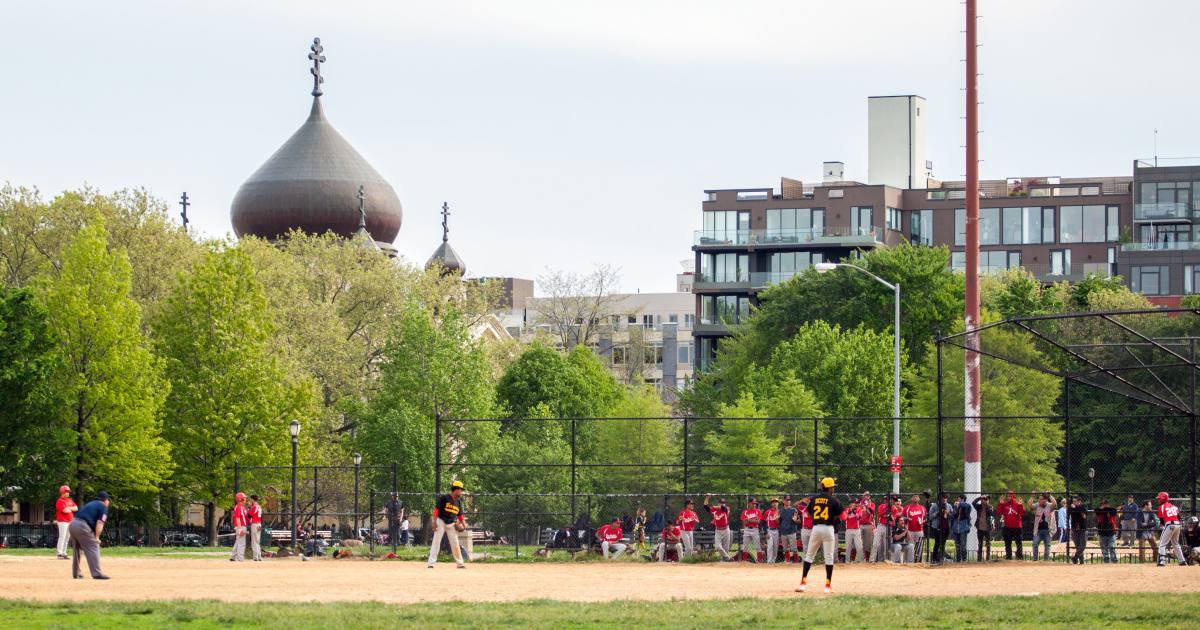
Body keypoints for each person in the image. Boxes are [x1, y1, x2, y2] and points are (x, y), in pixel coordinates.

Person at [796, 477, 843, 594]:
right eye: (832, 487)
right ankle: (827, 586)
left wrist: (817, 517)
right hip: (828, 529)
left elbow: (808, 512)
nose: (833, 489)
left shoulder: (814, 499)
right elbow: (841, 515)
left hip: (816, 528)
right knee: (829, 557)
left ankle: (803, 584)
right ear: (829, 488)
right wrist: (832, 518)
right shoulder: (834, 500)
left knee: (809, 555)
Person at [69, 491, 111, 580]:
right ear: (106, 500)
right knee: (93, 545)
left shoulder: (91, 503)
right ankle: (97, 573)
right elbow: (100, 523)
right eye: (108, 500)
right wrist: (97, 537)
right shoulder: (103, 507)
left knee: (76, 549)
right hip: (82, 525)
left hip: (73, 523)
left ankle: (76, 573)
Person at [427, 480, 466, 569]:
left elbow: (460, 515)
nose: (461, 492)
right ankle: (431, 563)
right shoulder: (444, 498)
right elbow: (436, 510)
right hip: (441, 521)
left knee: (455, 543)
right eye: (460, 489)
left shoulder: (458, 502)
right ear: (455, 489)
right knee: (436, 542)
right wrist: (434, 522)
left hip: (451, 523)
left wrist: (464, 524)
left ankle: (460, 564)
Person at [1156, 491, 1186, 567]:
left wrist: (1165, 527)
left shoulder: (1161, 507)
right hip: (1178, 524)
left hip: (1169, 524)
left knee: (1162, 543)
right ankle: (1182, 561)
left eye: (1159, 499)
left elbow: (1162, 521)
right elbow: (1178, 517)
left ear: (1163, 499)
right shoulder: (1174, 506)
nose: (1158, 500)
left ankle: (1161, 561)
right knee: (1176, 543)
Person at [1029, 493, 1057, 561]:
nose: (1039, 501)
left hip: (1048, 530)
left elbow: (1055, 504)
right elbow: (1030, 505)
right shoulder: (1037, 505)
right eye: (1039, 499)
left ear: (1045, 500)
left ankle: (1046, 561)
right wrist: (1032, 496)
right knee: (1035, 544)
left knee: (1047, 546)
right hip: (1038, 530)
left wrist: (1049, 495)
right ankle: (1035, 559)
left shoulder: (1049, 506)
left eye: (1041, 499)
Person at [998, 490, 1026, 560]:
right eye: (1007, 496)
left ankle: (1019, 557)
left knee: (1018, 543)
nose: (1008, 497)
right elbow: (999, 512)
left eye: (1010, 495)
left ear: (1013, 496)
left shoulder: (1017, 504)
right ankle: (1008, 556)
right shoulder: (1005, 504)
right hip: (1007, 526)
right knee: (1007, 543)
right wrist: (1001, 504)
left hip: (1017, 526)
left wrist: (1020, 505)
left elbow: (1022, 513)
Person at [704, 495, 732, 561]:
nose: (722, 504)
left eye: (723, 503)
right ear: (718, 503)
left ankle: (724, 561)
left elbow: (723, 508)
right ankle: (728, 557)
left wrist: (716, 506)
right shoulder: (714, 510)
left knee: (726, 548)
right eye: (721, 503)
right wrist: (707, 498)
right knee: (717, 547)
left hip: (726, 530)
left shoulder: (727, 509)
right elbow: (705, 507)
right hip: (718, 530)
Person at [54, 485, 78, 560]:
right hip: (62, 521)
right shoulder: (60, 501)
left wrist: (69, 508)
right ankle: (59, 553)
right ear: (62, 492)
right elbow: (65, 510)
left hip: (70, 521)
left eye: (68, 492)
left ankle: (64, 553)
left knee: (67, 537)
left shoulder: (69, 500)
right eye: (67, 492)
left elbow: (76, 508)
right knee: (62, 537)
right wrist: (70, 509)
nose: (68, 493)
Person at [902, 495, 927, 562]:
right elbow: (903, 519)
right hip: (910, 531)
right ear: (911, 498)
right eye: (914, 496)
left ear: (919, 499)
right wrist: (906, 531)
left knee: (919, 548)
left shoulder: (922, 508)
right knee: (910, 547)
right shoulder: (907, 507)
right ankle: (907, 562)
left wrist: (922, 521)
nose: (915, 498)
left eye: (917, 496)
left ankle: (918, 562)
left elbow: (925, 519)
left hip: (920, 530)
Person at [928, 493, 950, 565]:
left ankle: (942, 558)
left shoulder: (948, 505)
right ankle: (934, 559)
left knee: (943, 543)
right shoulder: (935, 505)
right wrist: (938, 512)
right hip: (937, 527)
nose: (945, 499)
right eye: (943, 498)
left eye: (946, 498)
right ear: (940, 499)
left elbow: (952, 515)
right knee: (937, 543)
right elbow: (930, 516)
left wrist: (948, 513)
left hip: (946, 527)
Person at [840, 498, 865, 563]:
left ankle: (861, 561)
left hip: (856, 530)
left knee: (859, 546)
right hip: (848, 530)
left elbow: (859, 517)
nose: (856, 504)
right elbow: (844, 518)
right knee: (848, 546)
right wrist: (849, 511)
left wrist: (854, 511)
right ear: (851, 504)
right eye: (855, 503)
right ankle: (847, 561)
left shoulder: (859, 509)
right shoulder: (846, 510)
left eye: (857, 503)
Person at [971, 494, 994, 562]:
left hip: (987, 528)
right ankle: (979, 559)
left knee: (988, 543)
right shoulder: (979, 507)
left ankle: (987, 558)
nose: (984, 501)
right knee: (980, 544)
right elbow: (973, 503)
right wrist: (980, 497)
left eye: (986, 499)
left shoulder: (990, 507)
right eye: (984, 499)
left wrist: (986, 505)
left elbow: (991, 513)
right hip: (980, 528)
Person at [871, 497, 894, 563]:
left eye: (888, 499)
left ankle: (886, 560)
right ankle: (872, 560)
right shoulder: (881, 506)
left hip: (888, 527)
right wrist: (886, 511)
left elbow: (893, 520)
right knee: (875, 543)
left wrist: (890, 516)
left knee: (886, 545)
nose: (886, 501)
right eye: (885, 499)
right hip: (880, 526)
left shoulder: (894, 508)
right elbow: (880, 515)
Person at [1095, 499, 1118, 564]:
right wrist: (1102, 508)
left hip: (1111, 532)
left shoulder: (1111, 510)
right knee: (1104, 548)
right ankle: (1106, 560)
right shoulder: (1100, 511)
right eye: (1103, 504)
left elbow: (1114, 511)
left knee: (1112, 547)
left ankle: (1114, 560)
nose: (1105, 505)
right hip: (1102, 532)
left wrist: (1107, 508)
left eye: (1106, 504)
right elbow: (1096, 510)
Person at [950, 495, 973, 563]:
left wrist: (960, 504)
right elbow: (953, 516)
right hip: (956, 528)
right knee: (957, 544)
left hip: (963, 527)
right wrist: (955, 509)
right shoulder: (956, 507)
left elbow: (967, 506)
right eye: (958, 499)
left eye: (959, 499)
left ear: (963, 500)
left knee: (963, 544)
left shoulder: (967, 506)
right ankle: (958, 560)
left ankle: (964, 559)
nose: (958, 501)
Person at [740, 498, 762, 562]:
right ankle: (744, 561)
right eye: (753, 503)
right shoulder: (745, 512)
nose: (754, 505)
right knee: (745, 546)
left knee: (757, 546)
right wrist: (753, 519)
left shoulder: (758, 511)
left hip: (755, 529)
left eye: (755, 503)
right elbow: (744, 523)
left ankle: (760, 561)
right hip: (747, 530)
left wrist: (749, 519)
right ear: (749, 503)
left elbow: (758, 522)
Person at [1068, 496, 1088, 565]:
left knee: (1082, 545)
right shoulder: (1071, 507)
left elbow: (1084, 515)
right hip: (1074, 528)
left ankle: (1075, 557)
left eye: (1075, 501)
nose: (1073, 503)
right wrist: (1075, 508)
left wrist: (1076, 508)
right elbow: (1070, 510)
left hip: (1082, 528)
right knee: (1078, 546)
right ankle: (1081, 561)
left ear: (1079, 501)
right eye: (1073, 501)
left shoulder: (1083, 507)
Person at [779, 496, 799, 563]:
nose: (788, 501)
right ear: (783, 501)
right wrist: (776, 519)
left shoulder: (794, 510)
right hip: (783, 532)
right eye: (787, 500)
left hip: (792, 532)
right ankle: (787, 561)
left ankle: (796, 562)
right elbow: (779, 522)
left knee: (794, 549)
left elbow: (799, 521)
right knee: (785, 549)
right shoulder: (781, 510)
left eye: (789, 500)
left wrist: (795, 520)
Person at [230, 492, 249, 562]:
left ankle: (233, 556)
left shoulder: (242, 507)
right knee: (241, 542)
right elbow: (238, 518)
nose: (245, 499)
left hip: (241, 526)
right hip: (240, 526)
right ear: (241, 499)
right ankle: (240, 558)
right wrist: (240, 529)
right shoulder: (239, 507)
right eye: (244, 498)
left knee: (238, 541)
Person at [858, 492, 875, 561]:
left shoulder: (872, 504)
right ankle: (860, 559)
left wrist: (867, 506)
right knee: (858, 543)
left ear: (869, 497)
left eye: (868, 495)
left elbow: (872, 513)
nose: (866, 497)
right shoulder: (859, 503)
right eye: (865, 495)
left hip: (868, 525)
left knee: (867, 543)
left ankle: (867, 560)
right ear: (863, 496)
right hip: (859, 525)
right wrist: (862, 506)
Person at [764, 499, 781, 563]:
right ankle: (769, 561)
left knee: (775, 547)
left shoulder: (780, 512)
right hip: (769, 530)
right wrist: (766, 532)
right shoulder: (767, 512)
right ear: (771, 504)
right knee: (770, 546)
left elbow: (781, 523)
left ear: (778, 504)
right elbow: (763, 522)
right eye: (773, 502)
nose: (774, 504)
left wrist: (780, 534)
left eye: (776, 502)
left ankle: (773, 560)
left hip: (777, 531)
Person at [248, 494, 264, 561]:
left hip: (255, 524)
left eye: (250, 499)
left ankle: (255, 557)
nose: (250, 500)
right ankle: (259, 556)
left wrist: (249, 507)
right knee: (257, 541)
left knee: (254, 541)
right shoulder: (259, 506)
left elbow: (249, 514)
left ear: (252, 499)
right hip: (259, 524)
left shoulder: (255, 506)